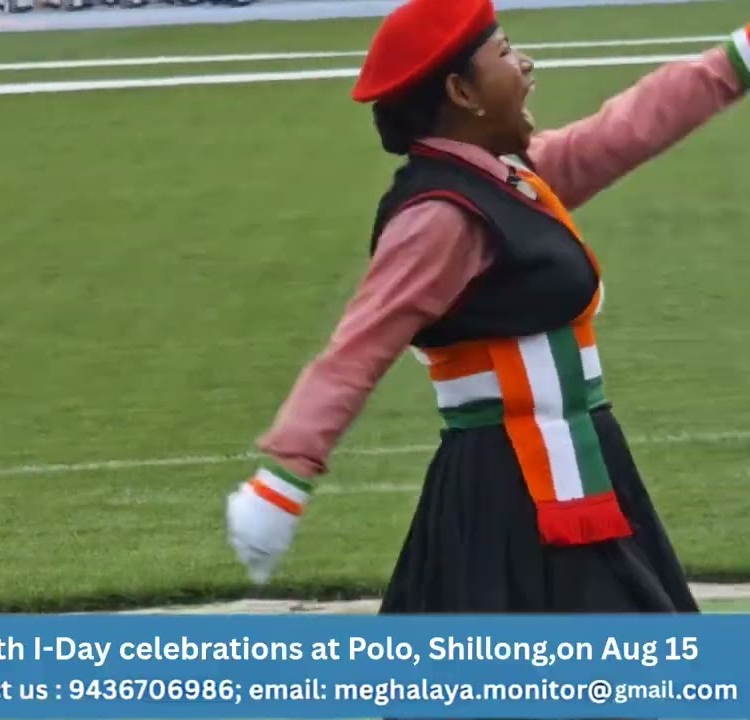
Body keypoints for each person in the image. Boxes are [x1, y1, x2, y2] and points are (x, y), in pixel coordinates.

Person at [225, 0, 750, 613]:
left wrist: (734, 60)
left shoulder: (511, 179)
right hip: (513, 492)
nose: (527, 65)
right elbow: (358, 349)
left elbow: (627, 129)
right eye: (504, 54)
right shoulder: (439, 217)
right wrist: (283, 480)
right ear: (461, 92)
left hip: (573, 470)